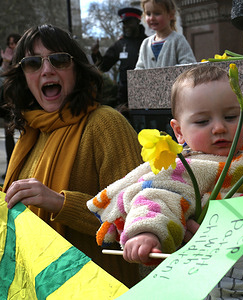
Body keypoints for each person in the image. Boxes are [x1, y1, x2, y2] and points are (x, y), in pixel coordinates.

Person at [87, 65, 243, 299]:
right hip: (202, 283)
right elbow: (158, 197)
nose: (220, 127)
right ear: (179, 131)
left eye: (231, 117)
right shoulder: (184, 168)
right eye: (202, 121)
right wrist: (147, 233)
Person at [1, 24, 144, 288]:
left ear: (77, 68)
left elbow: (139, 218)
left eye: (59, 59)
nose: (46, 70)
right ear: (23, 76)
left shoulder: (105, 124)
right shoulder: (32, 131)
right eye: (33, 63)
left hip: (100, 289)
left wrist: (60, 203)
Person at [91, 7, 147, 111]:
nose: (126, 26)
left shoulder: (147, 42)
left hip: (145, 94)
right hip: (124, 99)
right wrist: (95, 53)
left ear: (138, 22)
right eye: (124, 23)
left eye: (129, 22)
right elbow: (104, 66)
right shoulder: (120, 44)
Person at [135, 0, 196, 69]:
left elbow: (189, 66)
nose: (152, 18)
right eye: (148, 14)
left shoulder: (178, 40)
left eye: (157, 13)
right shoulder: (145, 43)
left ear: (171, 15)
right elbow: (139, 69)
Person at [0, 33, 21, 178]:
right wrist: (5, 62)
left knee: (27, 136)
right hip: (8, 103)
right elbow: (2, 80)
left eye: (14, 43)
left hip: (22, 101)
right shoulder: (7, 59)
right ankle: (10, 168)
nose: (11, 46)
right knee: (9, 135)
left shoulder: (24, 57)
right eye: (9, 43)